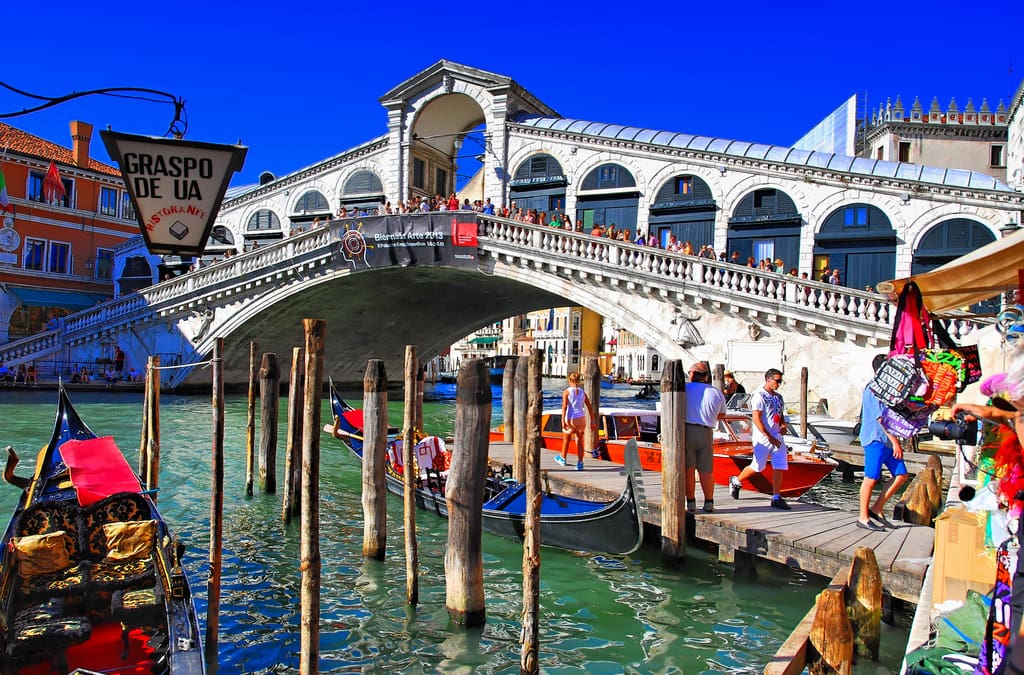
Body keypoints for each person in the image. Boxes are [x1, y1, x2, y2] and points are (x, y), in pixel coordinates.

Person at [856, 354, 911, 531]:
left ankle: (877, 508)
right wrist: (896, 442)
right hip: (875, 437)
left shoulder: (888, 389)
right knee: (871, 477)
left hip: (887, 439)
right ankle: (863, 517)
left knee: (901, 474)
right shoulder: (873, 388)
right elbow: (881, 418)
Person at [729, 368, 791, 509]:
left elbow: (780, 414)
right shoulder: (759, 396)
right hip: (763, 436)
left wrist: (783, 425)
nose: (779, 384)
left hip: (777, 436)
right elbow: (756, 418)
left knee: (780, 465)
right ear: (768, 379)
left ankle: (776, 496)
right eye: (777, 381)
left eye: (781, 381)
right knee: (758, 465)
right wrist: (768, 436)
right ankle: (736, 480)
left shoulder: (778, 397)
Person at [685, 362, 726, 513]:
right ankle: (709, 502)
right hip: (707, 431)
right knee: (706, 469)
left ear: (692, 374)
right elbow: (721, 414)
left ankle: (691, 502)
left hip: (688, 430)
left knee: (688, 468)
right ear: (706, 376)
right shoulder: (716, 392)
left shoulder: (684, 389)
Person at [557, 371, 596, 471]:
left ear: (569, 380)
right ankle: (580, 463)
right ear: (578, 380)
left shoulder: (567, 392)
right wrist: (593, 421)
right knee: (579, 441)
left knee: (567, 439)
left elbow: (564, 407)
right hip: (581, 418)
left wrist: (562, 420)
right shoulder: (583, 392)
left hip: (571, 418)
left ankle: (562, 458)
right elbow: (589, 408)